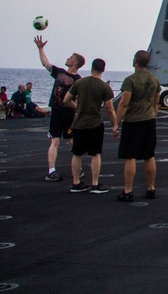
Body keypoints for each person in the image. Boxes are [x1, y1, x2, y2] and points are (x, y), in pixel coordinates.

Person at [63, 58, 116, 194]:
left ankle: (76, 182)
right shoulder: (104, 87)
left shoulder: (80, 83)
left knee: (77, 153)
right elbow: (110, 109)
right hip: (95, 123)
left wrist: (77, 108)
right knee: (95, 154)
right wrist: (115, 125)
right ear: (103, 69)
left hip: (79, 122)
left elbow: (66, 100)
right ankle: (95, 183)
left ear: (92, 68)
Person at [34, 36, 83, 182]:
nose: (68, 58)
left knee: (71, 141)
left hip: (69, 114)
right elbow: (46, 63)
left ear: (75, 62)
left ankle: (77, 168)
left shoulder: (78, 80)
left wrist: (76, 112)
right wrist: (41, 49)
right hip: (56, 112)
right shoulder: (60, 72)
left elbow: (78, 100)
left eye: (70, 57)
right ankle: (51, 170)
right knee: (55, 140)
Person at [116, 50, 161, 201]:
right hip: (149, 120)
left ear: (135, 61)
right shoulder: (154, 79)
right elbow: (156, 103)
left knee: (130, 156)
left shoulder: (130, 80)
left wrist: (116, 122)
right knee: (149, 155)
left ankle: (128, 191)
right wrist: (153, 116)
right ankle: (151, 188)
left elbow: (124, 103)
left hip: (133, 121)